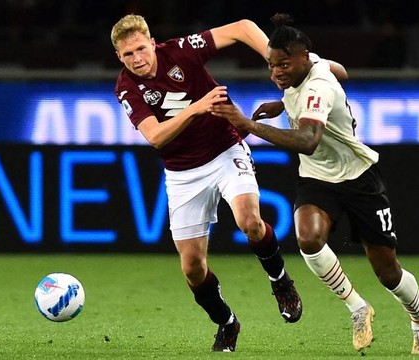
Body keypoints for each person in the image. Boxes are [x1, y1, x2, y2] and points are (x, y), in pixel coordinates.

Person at [210, 13, 419, 355]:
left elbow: (309, 140)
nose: (275, 73)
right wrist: (283, 103)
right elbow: (341, 71)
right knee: (308, 238)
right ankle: (357, 307)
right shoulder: (311, 66)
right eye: (271, 66)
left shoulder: (318, 87)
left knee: (388, 272)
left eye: (283, 65)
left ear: (303, 59)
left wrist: (248, 125)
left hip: (359, 178)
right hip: (318, 177)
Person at [110, 14, 302, 352]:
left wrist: (275, 63)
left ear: (152, 42)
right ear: (119, 57)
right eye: (129, 55)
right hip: (182, 173)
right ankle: (227, 323)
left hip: (225, 150)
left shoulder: (182, 50)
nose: (137, 59)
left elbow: (242, 28)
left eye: (141, 49)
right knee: (193, 268)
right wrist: (197, 108)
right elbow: (155, 136)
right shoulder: (126, 87)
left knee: (250, 221)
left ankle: (280, 281)